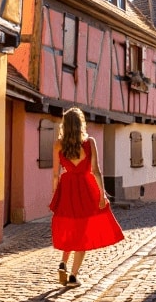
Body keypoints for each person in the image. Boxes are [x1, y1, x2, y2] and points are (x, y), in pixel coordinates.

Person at [49, 107, 124, 286]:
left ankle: (63, 263)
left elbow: (55, 175)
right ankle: (73, 276)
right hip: (86, 188)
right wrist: (102, 195)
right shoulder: (89, 142)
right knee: (82, 231)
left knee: (69, 229)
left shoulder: (58, 145)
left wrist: (55, 196)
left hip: (66, 189)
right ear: (81, 123)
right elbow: (96, 171)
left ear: (65, 126)